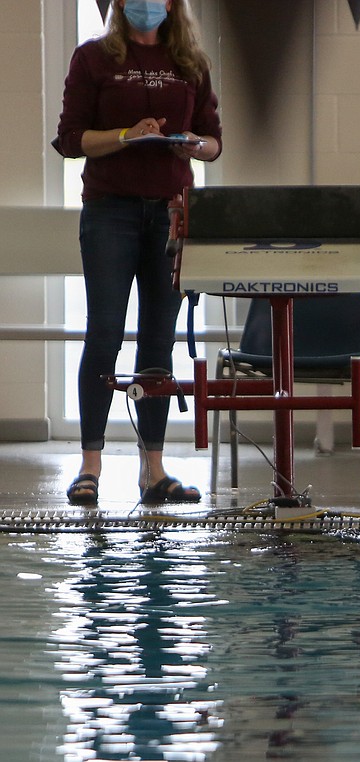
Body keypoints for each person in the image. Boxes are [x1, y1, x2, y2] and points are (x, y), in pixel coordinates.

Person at [53, 0, 222, 505]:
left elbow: (215, 141)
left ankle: (154, 469)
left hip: (171, 212)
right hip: (110, 210)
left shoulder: (191, 62)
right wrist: (127, 136)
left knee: (158, 341)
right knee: (103, 332)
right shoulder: (94, 59)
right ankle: (90, 467)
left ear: (171, 4)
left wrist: (191, 145)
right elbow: (70, 139)